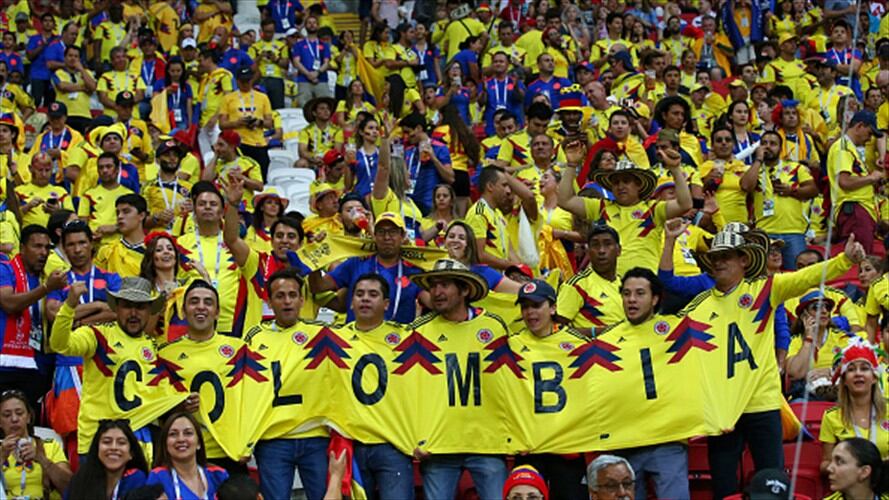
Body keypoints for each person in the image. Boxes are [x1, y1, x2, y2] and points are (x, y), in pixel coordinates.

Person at [684, 227, 868, 499]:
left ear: (744, 259)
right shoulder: (698, 306)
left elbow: (806, 277)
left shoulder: (765, 289)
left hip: (763, 402)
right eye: (714, 257)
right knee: (723, 485)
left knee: (773, 480)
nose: (719, 262)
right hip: (722, 407)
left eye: (727, 256)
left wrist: (844, 261)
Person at [409, 259, 508, 499]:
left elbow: (509, 385)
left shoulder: (494, 327)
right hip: (439, 446)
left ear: (464, 290)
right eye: (433, 286)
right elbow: (408, 389)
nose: (437, 292)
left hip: (487, 442)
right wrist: (413, 436)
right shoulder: (418, 331)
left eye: (444, 285)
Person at [49, 277, 166, 456]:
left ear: (149, 311)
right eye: (127, 306)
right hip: (96, 443)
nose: (134, 313)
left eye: (140, 307)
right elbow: (60, 344)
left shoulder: (154, 347)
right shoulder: (97, 335)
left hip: (138, 446)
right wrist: (69, 306)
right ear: (116, 308)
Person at [245, 268, 330, 500]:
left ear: (302, 300)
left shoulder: (322, 335)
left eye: (293, 295)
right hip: (273, 438)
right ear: (269, 302)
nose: (287, 301)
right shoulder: (254, 338)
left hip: (315, 436)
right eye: (280, 296)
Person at [559, 137, 692, 275]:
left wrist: (675, 169)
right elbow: (564, 201)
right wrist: (571, 165)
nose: (620, 186)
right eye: (616, 182)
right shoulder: (600, 207)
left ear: (638, 185)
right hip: (608, 283)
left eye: (626, 181)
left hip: (643, 283)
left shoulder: (653, 209)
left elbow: (685, 204)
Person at [155, 280, 250, 473]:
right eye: (194, 301)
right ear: (183, 310)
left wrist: (248, 443)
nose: (201, 307)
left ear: (217, 312)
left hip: (230, 451)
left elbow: (252, 399)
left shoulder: (239, 349)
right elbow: (156, 404)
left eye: (208, 302)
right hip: (185, 454)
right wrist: (179, 406)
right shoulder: (164, 354)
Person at [340, 274, 416, 499]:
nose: (365, 299)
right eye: (359, 294)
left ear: (386, 304)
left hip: (392, 443)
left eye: (373, 295)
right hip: (351, 444)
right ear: (351, 302)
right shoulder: (334, 340)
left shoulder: (405, 338)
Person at [510, 280, 588, 498]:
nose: (530, 312)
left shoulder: (578, 345)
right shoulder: (511, 346)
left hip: (567, 447)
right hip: (530, 446)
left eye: (536, 305)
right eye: (525, 306)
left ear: (553, 308)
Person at [311, 212, 429, 324]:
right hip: (357, 341)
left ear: (402, 236)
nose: (387, 237)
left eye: (392, 232)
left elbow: (432, 302)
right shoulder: (356, 263)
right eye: (381, 232)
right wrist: (316, 255)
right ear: (375, 235)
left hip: (398, 342)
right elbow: (318, 286)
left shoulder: (413, 270)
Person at [0, 225, 67, 409]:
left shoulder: (49, 277)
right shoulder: (5, 269)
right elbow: (9, 303)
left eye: (47, 248)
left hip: (37, 364)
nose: (43, 252)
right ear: (22, 248)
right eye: (37, 246)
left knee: (30, 422)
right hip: (4, 362)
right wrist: (46, 289)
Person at [740, 131, 817, 268]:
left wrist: (792, 191)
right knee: (764, 277)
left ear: (781, 149)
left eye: (773, 144)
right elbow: (745, 186)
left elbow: (813, 190)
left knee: (798, 278)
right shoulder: (753, 170)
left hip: (794, 232)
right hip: (764, 233)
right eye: (764, 143)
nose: (768, 147)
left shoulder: (796, 168)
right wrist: (758, 160)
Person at [819, 340, 888, 468]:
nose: (858, 373)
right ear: (844, 380)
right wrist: (844, 468)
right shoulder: (831, 417)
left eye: (864, 368)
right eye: (851, 369)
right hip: (849, 485)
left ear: (874, 378)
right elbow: (825, 464)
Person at [827, 110, 884, 253]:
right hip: (855, 212)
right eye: (869, 133)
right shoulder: (843, 148)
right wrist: (872, 178)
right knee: (860, 259)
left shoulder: (850, 148)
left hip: (859, 211)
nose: (870, 139)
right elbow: (845, 182)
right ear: (859, 126)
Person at [784, 291, 859, 398]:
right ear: (804, 316)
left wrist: (831, 371)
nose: (824, 311)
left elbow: (859, 366)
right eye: (816, 307)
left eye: (827, 307)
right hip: (806, 396)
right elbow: (795, 373)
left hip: (840, 393)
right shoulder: (794, 341)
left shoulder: (842, 338)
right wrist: (808, 338)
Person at [0, 390, 72, 498]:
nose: (14, 419)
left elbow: (71, 488)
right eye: (6, 415)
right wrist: (1, 457)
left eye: (19, 413)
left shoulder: (50, 446)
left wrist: (41, 458)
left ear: (29, 417)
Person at [556, 224, 624, 336]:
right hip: (593, 351)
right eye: (595, 245)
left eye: (607, 244)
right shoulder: (576, 285)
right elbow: (556, 329)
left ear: (619, 250)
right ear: (588, 251)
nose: (601, 250)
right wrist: (597, 332)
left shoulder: (624, 285)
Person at [147, 412, 230, 499]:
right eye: (173, 434)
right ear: (165, 444)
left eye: (188, 433)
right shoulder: (158, 477)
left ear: (199, 443)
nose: (181, 439)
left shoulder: (218, 474)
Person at [66, 419, 149, 499]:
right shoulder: (80, 480)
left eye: (121, 443)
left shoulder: (137, 479)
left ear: (131, 453)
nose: (114, 447)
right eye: (107, 442)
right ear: (97, 449)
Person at [219, 67, 274, 181]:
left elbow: (270, 123)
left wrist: (259, 122)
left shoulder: (262, 97)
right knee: (237, 178)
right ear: (237, 81)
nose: (245, 84)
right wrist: (237, 123)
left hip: (258, 143)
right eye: (242, 81)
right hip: (239, 143)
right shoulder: (228, 98)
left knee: (260, 179)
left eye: (248, 81)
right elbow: (222, 124)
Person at [443, 221, 522, 294]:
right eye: (451, 236)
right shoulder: (436, 268)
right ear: (445, 242)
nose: (455, 240)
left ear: (469, 245)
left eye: (461, 238)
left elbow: (522, 290)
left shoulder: (483, 272)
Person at [14, 152, 74, 228]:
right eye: (40, 170)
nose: (44, 174)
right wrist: (27, 207)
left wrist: (58, 213)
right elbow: (10, 216)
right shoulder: (18, 191)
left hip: (55, 236)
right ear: (30, 169)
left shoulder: (62, 192)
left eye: (47, 170)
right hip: (28, 235)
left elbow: (73, 219)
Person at [292, 15, 332, 107]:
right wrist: (308, 74)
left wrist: (317, 73)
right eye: (309, 23)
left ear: (318, 26)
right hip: (304, 80)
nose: (312, 25)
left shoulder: (324, 44)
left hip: (321, 79)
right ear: (305, 26)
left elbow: (327, 62)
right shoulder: (299, 44)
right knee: (304, 107)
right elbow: (296, 62)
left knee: (325, 106)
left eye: (314, 23)